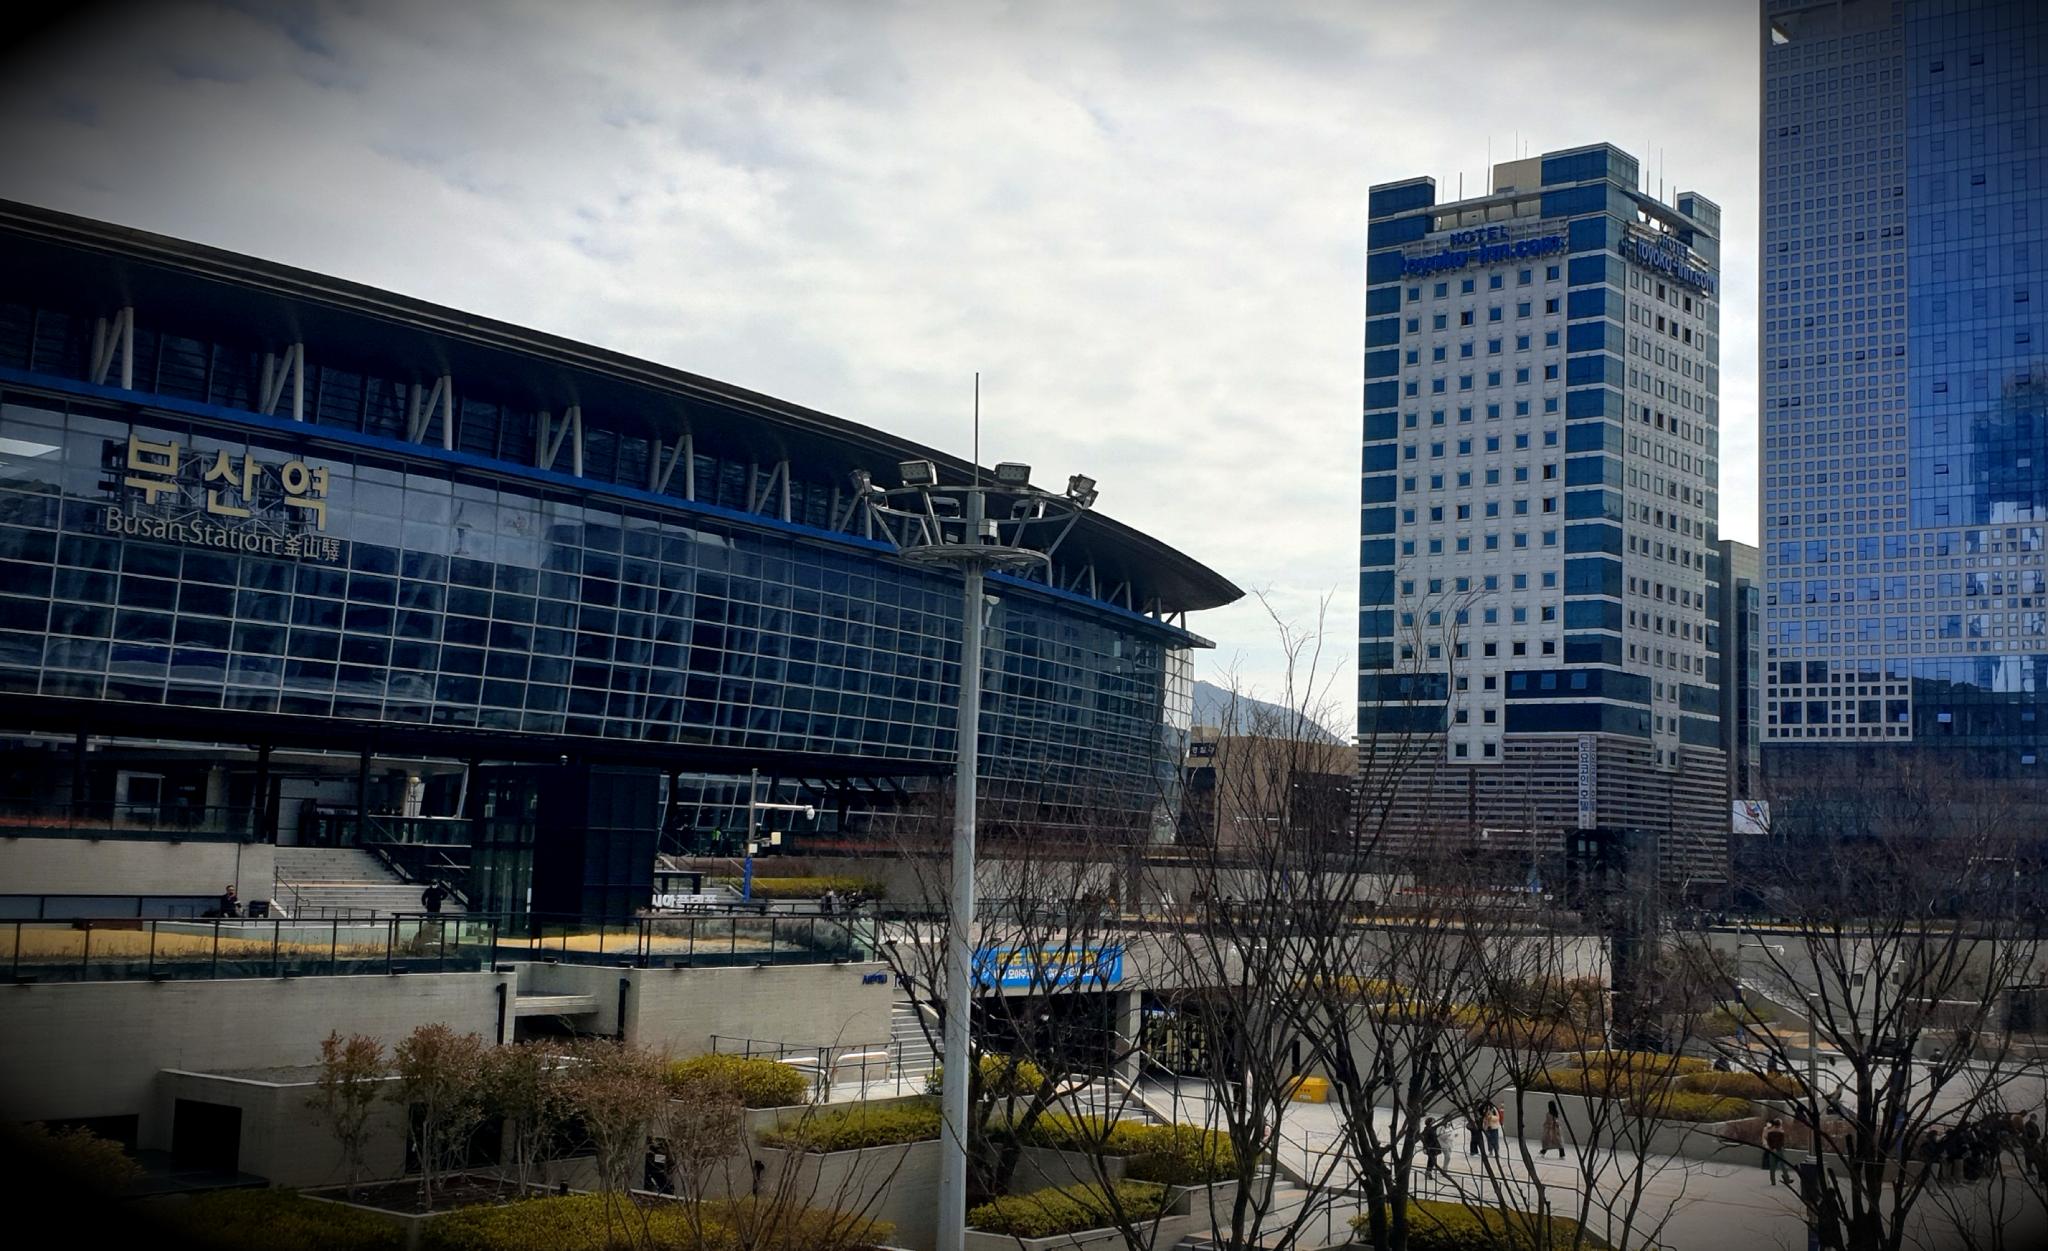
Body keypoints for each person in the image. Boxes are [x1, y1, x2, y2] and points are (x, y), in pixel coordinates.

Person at [1762, 1116, 1791, 1184]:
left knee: (1772, 1166)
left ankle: (1773, 1181)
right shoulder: (1781, 1132)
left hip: (1772, 1150)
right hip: (1779, 1150)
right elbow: (1781, 1142)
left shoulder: (1769, 1132)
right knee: (1783, 1165)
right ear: (1779, 1125)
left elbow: (1768, 1141)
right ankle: (1786, 1179)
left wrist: (1771, 1148)